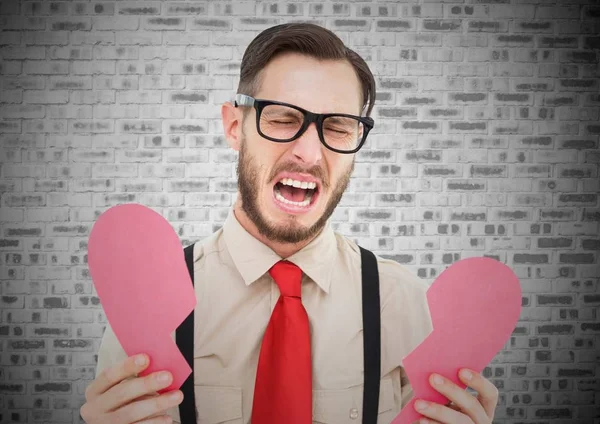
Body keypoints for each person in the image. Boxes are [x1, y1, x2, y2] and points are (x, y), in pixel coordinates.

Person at [80, 23, 499, 424]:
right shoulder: (150, 304)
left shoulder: (400, 300)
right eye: (282, 118)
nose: (309, 154)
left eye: (337, 127)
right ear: (233, 126)